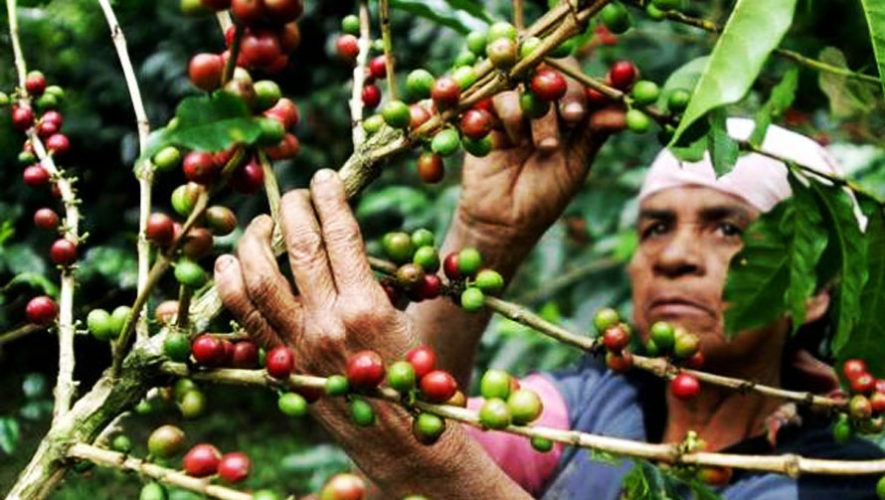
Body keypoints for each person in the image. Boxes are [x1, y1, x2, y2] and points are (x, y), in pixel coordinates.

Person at [213, 80, 884, 499]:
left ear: (813, 292)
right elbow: (420, 462)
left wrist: (405, 438)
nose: (674, 256)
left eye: (729, 229)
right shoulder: (595, 403)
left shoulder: (838, 478)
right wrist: (485, 235)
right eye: (654, 226)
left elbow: (427, 461)